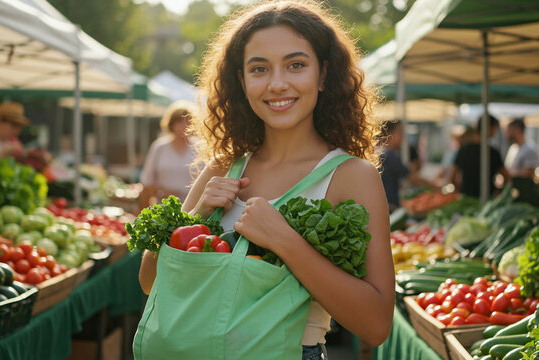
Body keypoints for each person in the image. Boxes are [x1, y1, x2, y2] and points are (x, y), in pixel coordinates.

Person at [136, 1, 394, 358]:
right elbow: (150, 283)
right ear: (241, 81)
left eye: (296, 65)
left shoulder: (351, 176)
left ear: (323, 75)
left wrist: (287, 243)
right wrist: (195, 215)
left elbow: (376, 325)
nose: (277, 83)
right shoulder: (222, 168)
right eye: (259, 69)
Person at [138, 100, 198, 209]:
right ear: (171, 124)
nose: (184, 125)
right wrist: (163, 191)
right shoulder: (159, 147)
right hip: (164, 209)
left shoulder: (200, 148)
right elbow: (146, 181)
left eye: (188, 121)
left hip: (194, 209)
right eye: (180, 121)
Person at [379, 120, 435, 210]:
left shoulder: (379, 152)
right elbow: (412, 178)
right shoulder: (390, 155)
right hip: (389, 207)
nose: (402, 136)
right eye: (400, 132)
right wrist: (435, 186)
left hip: (383, 205)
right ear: (389, 134)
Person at [451, 115, 509, 198]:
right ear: (490, 128)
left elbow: (452, 177)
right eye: (494, 129)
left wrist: (460, 191)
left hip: (466, 199)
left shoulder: (463, 150)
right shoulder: (492, 152)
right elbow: (506, 177)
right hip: (488, 200)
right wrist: (500, 192)